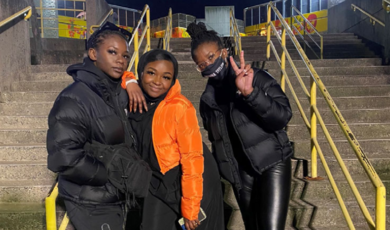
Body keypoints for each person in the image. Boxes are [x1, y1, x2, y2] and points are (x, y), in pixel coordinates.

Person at [185, 22, 293, 230]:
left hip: (272, 162)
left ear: (224, 52)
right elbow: (216, 141)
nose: (207, 65)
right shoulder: (207, 101)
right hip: (240, 175)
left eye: (211, 57)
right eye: (200, 64)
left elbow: (282, 117)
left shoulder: (256, 77)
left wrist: (251, 93)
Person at [46, 22, 152, 230]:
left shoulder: (119, 93)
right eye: (112, 52)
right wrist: (109, 178)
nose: (120, 61)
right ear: (93, 54)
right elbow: (65, 158)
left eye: (125, 56)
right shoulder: (74, 98)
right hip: (92, 203)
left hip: (121, 197)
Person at [121, 49, 225, 230]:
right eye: (151, 73)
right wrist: (129, 81)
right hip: (156, 178)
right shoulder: (133, 97)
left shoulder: (180, 107)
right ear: (141, 72)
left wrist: (191, 207)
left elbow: (192, 158)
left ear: (172, 81)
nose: (157, 82)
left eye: (166, 77)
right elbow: (112, 72)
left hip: (189, 178)